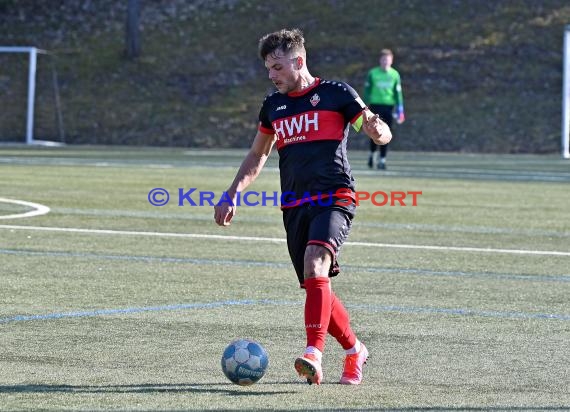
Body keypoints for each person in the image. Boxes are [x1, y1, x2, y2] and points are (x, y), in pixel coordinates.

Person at [213, 28, 392, 385]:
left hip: (335, 195)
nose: (272, 75)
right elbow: (258, 153)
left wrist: (377, 130)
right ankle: (355, 350)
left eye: (278, 67)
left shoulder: (336, 94)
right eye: (268, 68)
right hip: (294, 204)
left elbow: (377, 129)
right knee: (316, 280)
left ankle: (314, 353)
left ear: (299, 61)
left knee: (316, 262)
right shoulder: (273, 106)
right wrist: (232, 191)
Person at [363, 48, 405, 170]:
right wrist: (364, 106)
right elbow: (367, 91)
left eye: (387, 60)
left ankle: (382, 160)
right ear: (380, 61)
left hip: (388, 107)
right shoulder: (373, 73)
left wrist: (400, 109)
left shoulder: (394, 74)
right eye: (383, 60)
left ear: (391, 61)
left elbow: (398, 93)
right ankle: (372, 155)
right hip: (375, 107)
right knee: (373, 131)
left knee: (386, 132)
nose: (385, 62)